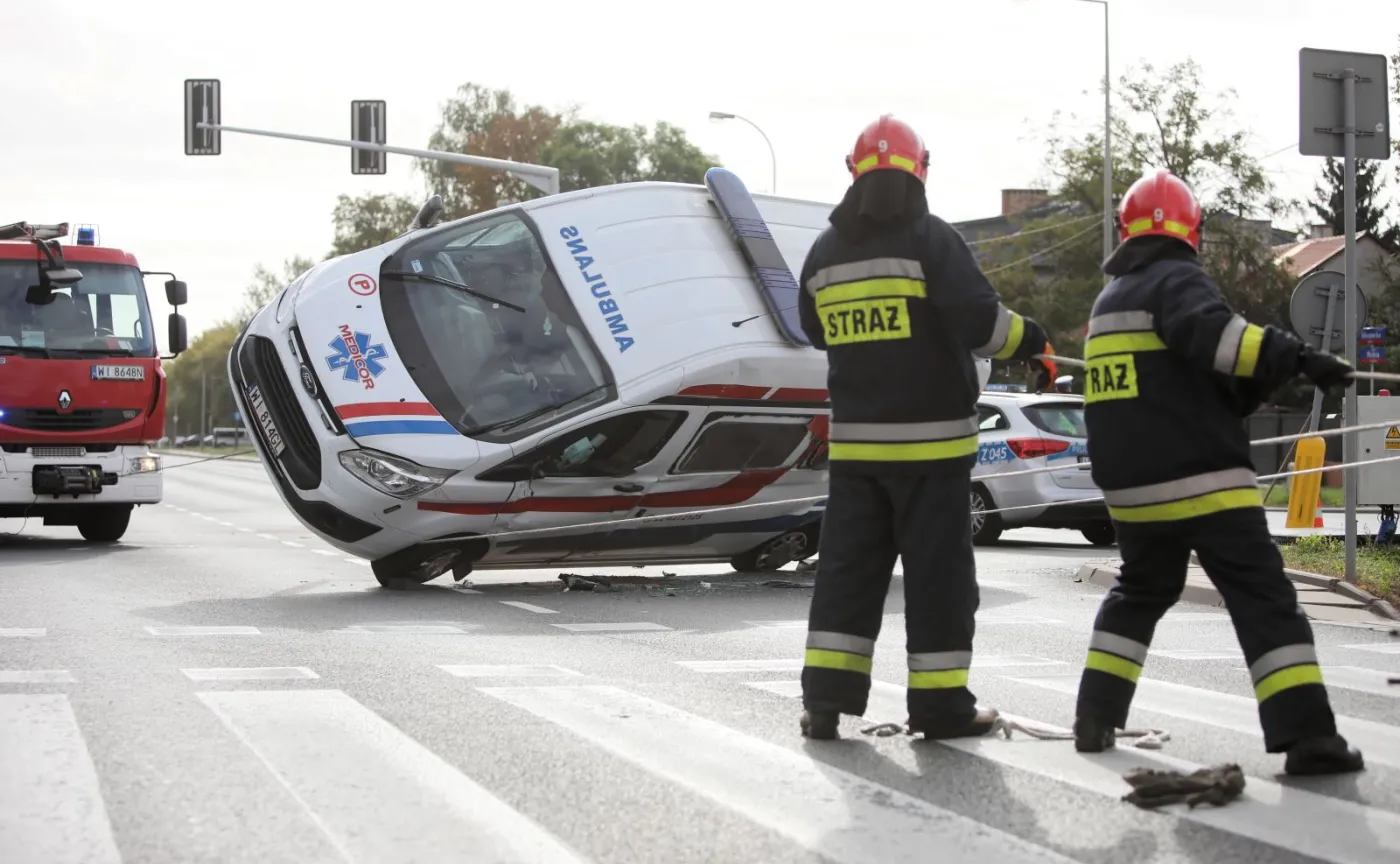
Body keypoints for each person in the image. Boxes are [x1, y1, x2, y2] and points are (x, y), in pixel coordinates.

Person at [1072, 167, 1365, 776]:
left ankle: (1094, 715)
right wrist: (1301, 358)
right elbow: (1220, 340)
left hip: (1132, 495)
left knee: (1139, 593)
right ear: (1192, 231)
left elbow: (1191, 380)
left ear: (1126, 232)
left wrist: (1261, 381)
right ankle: (1307, 739)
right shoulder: (1176, 279)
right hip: (1203, 480)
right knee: (1263, 600)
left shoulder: (1108, 303)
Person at [795, 114, 1055, 740]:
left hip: (858, 456)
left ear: (852, 173)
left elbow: (811, 326)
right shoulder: (932, 241)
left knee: (846, 580)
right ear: (923, 171)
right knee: (939, 584)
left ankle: (824, 706)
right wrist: (1035, 341)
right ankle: (940, 709)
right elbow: (983, 323)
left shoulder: (825, 253)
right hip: (934, 454)